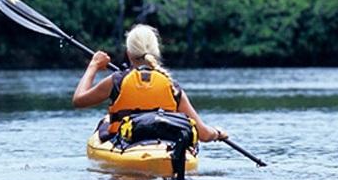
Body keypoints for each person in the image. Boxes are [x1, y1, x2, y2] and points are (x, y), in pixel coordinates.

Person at [72, 24, 228, 143]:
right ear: (156, 52)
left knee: (105, 122)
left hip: (126, 145)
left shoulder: (116, 81)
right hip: (165, 147)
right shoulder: (171, 86)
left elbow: (78, 100)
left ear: (128, 54)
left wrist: (94, 65)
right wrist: (217, 133)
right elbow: (204, 135)